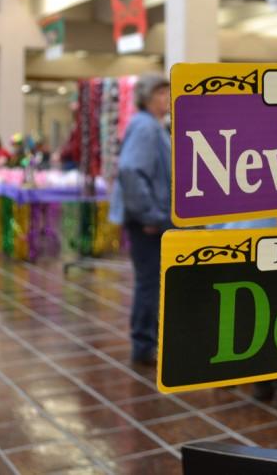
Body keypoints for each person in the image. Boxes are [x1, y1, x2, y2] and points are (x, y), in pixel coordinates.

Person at [110, 73, 171, 366]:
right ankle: (143, 345)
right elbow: (132, 172)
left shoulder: (153, 126)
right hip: (148, 221)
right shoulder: (145, 127)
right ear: (147, 98)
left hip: (152, 217)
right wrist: (149, 215)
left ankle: (148, 340)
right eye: (161, 93)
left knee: (153, 281)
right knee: (149, 282)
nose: (167, 99)